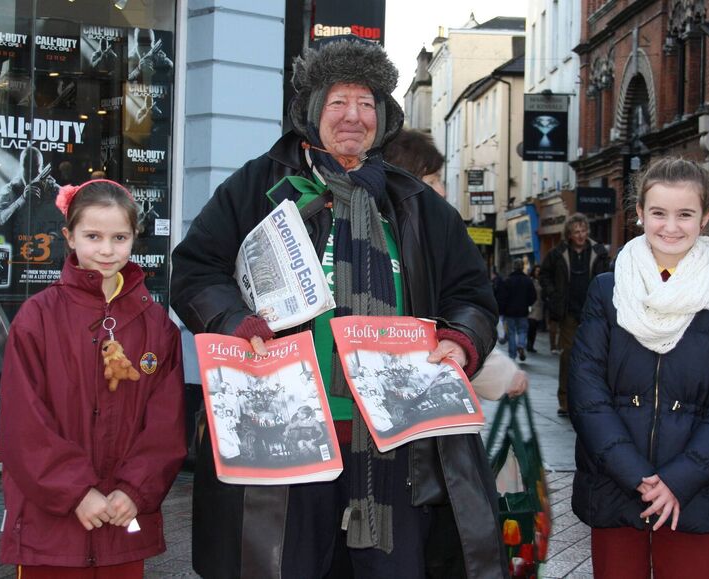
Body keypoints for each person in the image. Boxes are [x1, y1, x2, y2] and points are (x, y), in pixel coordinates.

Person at [171, 37, 505, 579]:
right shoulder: (259, 186)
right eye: (338, 102)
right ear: (311, 110)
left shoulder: (416, 203)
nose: (354, 116)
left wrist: (461, 338)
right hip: (287, 435)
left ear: (384, 116)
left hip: (396, 443)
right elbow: (194, 270)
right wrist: (236, 321)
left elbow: (471, 295)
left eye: (367, 103)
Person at [568, 158, 709, 579]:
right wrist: (636, 475)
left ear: (706, 217)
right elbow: (586, 391)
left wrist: (678, 479)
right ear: (639, 213)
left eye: (685, 214)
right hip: (615, 482)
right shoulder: (607, 290)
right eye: (658, 212)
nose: (670, 226)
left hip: (693, 490)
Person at [0, 179, 187, 577]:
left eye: (119, 237)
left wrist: (135, 491)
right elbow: (23, 425)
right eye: (93, 235)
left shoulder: (156, 326)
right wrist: (76, 492)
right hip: (50, 528)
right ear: (69, 237)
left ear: (135, 237)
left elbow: (166, 426)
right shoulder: (37, 318)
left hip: (122, 522)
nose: (106, 249)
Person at [540, 213, 610, 415]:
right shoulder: (557, 253)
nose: (580, 235)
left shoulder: (599, 252)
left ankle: (591, 399)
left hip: (594, 311)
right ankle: (566, 401)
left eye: (583, 230)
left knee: (595, 357)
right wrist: (553, 295)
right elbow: (544, 275)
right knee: (568, 357)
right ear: (569, 234)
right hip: (568, 312)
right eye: (576, 232)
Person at [497, 258, 536, 362]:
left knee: (511, 333)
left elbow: (502, 297)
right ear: (523, 267)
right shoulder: (528, 281)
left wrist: (502, 310)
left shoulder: (508, 280)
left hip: (509, 312)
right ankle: (521, 345)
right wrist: (528, 304)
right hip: (523, 311)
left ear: (513, 267)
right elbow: (533, 296)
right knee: (523, 330)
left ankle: (512, 355)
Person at [526, 265, 544, 353]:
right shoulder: (530, 281)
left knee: (535, 327)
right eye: (536, 271)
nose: (537, 272)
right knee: (531, 326)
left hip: (539, 306)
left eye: (539, 271)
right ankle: (529, 344)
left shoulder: (541, 281)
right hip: (532, 306)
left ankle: (531, 344)